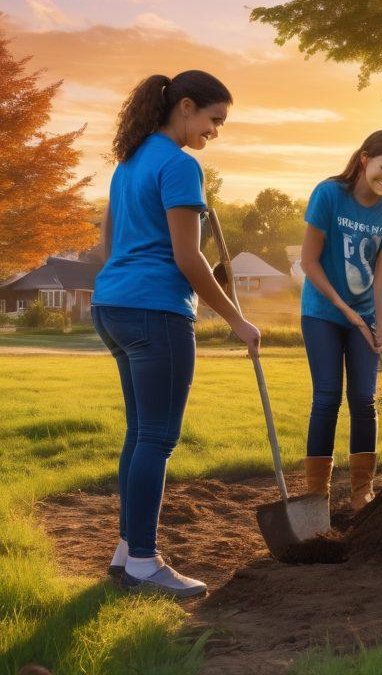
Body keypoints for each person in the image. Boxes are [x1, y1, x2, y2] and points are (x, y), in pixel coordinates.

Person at [93, 71, 261, 598]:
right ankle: (144, 561)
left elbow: (108, 241)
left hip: (112, 305)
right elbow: (188, 259)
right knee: (158, 439)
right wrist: (237, 319)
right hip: (156, 313)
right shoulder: (181, 166)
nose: (216, 132)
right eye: (215, 120)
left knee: (140, 434)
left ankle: (126, 550)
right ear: (185, 107)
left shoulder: (130, 162)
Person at [299, 130, 382, 512]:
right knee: (327, 397)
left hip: (365, 318)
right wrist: (345, 309)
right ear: (364, 159)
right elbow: (308, 261)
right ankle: (317, 493)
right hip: (322, 313)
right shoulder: (329, 194)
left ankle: (362, 491)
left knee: (364, 399)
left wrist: (380, 323)